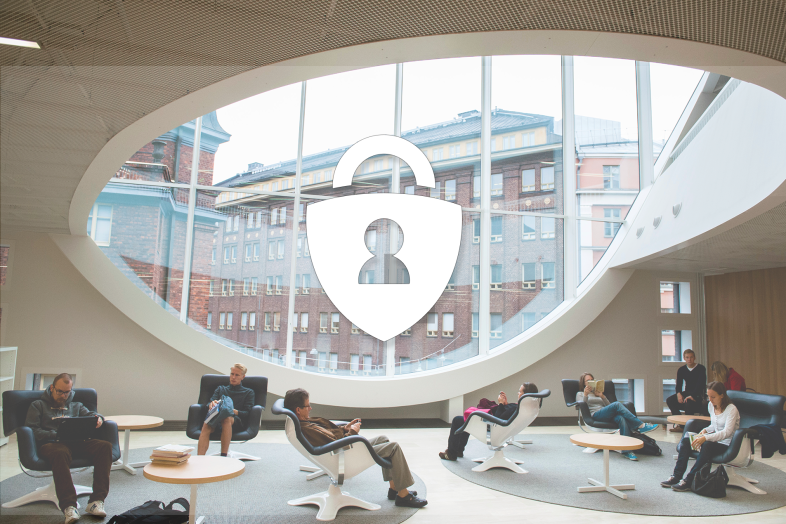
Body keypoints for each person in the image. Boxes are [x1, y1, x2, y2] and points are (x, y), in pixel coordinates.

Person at [284, 388, 428, 509]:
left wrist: (346, 428)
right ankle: (403, 496)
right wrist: (353, 432)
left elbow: (330, 435)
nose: (310, 408)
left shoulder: (304, 422)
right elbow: (338, 443)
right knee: (393, 448)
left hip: (342, 449)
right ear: (298, 409)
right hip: (344, 455)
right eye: (307, 406)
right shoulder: (307, 429)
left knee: (383, 439)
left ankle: (394, 488)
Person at [25, 373, 111, 524]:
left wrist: (99, 418)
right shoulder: (38, 405)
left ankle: (96, 501)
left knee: (104, 447)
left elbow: (92, 415)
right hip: (51, 444)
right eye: (60, 391)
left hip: (76, 442)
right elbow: (32, 430)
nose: (63, 396)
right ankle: (69, 506)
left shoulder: (76, 405)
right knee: (60, 452)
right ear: (52, 388)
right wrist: (56, 434)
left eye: (67, 392)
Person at [661, 381, 740, 491]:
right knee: (685, 441)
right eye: (708, 396)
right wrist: (704, 431)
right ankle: (676, 476)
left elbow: (726, 432)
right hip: (714, 441)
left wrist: (706, 437)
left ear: (722, 396)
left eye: (713, 397)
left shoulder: (731, 409)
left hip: (726, 444)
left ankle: (689, 480)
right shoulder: (711, 406)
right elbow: (714, 425)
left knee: (706, 444)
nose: (710, 400)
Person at [439, 382, 538, 461]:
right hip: (501, 430)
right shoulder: (523, 408)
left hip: (493, 429)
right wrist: (505, 404)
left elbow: (499, 419)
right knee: (467, 420)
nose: (518, 393)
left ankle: (452, 454)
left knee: (459, 420)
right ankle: (459, 450)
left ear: (526, 395)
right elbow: (506, 415)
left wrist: (500, 404)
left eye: (520, 392)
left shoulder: (517, 408)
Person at [576, 372, 659, 461]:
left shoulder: (597, 392)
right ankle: (640, 425)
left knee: (621, 418)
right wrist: (585, 394)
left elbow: (608, 406)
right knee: (617, 404)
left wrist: (602, 396)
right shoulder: (580, 394)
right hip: (595, 415)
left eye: (592, 379)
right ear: (583, 383)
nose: (590, 381)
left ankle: (627, 450)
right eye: (588, 380)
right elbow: (583, 406)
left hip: (605, 414)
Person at [197, 364, 255, 456]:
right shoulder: (221, 389)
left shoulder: (248, 392)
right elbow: (208, 404)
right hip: (217, 418)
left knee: (226, 418)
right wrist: (211, 404)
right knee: (206, 423)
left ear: (243, 377)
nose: (233, 377)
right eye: (232, 374)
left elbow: (247, 413)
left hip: (235, 421)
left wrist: (233, 411)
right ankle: (200, 458)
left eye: (237, 375)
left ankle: (223, 456)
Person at [666, 349, 708, 431]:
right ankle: (681, 425)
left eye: (691, 357)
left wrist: (693, 396)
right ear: (684, 358)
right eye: (687, 357)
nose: (689, 359)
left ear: (694, 358)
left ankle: (689, 427)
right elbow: (678, 384)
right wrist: (678, 393)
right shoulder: (681, 370)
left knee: (688, 402)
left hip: (698, 394)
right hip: (687, 392)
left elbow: (701, 384)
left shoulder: (701, 368)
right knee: (670, 400)